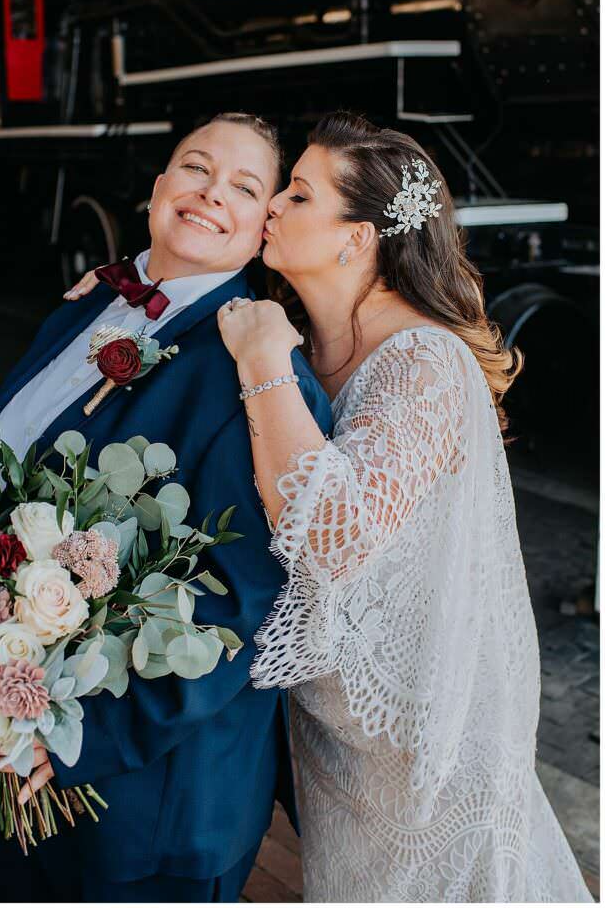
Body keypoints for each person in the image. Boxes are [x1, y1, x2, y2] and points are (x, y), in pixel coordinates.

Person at [0, 113, 332, 903]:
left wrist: (81, 742)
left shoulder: (256, 378)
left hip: (140, 806)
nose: (208, 193)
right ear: (157, 190)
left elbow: (241, 605)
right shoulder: (85, 307)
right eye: (194, 168)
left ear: (266, 224)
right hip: (5, 750)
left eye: (243, 185)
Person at [216, 111, 593, 903]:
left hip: (434, 738)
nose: (274, 204)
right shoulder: (307, 335)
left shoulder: (422, 360)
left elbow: (330, 536)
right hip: (340, 735)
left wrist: (259, 358)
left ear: (357, 239)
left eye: (300, 194)